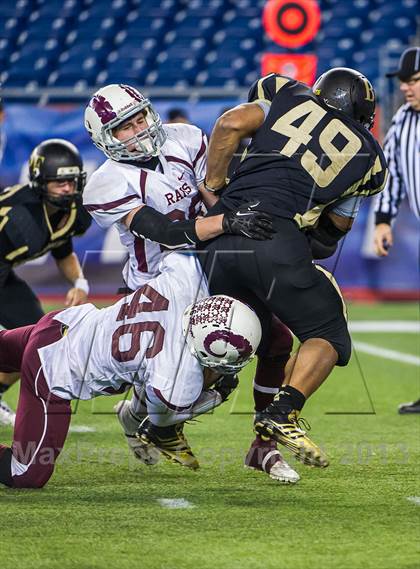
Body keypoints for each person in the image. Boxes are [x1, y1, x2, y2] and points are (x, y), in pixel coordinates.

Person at [83, 84, 299, 484]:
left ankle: (263, 445)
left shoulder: (187, 138)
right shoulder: (106, 183)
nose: (137, 130)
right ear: (104, 139)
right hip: (157, 286)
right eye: (123, 128)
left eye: (139, 119)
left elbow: (216, 194)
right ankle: (142, 415)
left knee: (276, 342)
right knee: (182, 386)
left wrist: (244, 225)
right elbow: (164, 232)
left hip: (214, 268)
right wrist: (227, 223)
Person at [199, 67, 389, 469]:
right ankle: (282, 411)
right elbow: (336, 228)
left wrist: (215, 188)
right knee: (328, 333)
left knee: (253, 337)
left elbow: (230, 123)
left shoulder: (286, 94)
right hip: (274, 239)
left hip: (221, 238)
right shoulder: (370, 156)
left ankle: (163, 409)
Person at [0, 251, 261, 489]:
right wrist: (217, 396)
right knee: (26, 475)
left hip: (63, 323)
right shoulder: (178, 375)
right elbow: (160, 422)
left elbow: (178, 253)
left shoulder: (186, 278)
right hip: (51, 370)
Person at [0, 139, 92, 427]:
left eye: (71, 181)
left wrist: (80, 283)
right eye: (58, 182)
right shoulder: (19, 220)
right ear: (41, 181)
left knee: (37, 340)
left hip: (4, 273)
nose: (67, 188)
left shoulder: (72, 210)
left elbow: (62, 249)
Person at [373, 47, 420, 415]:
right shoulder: (403, 120)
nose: (407, 88)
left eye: (415, 81)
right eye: (405, 81)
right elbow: (392, 177)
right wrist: (383, 220)